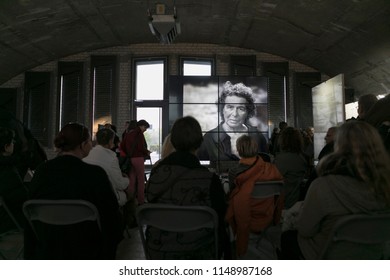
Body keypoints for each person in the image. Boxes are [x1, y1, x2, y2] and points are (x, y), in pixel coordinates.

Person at [25, 122, 123, 259]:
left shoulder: (42, 171)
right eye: (89, 141)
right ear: (83, 145)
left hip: (48, 247)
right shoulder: (95, 174)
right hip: (87, 249)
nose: (92, 145)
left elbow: (31, 208)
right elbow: (112, 217)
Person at [294, 121, 390, 259]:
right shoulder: (385, 187)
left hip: (325, 255)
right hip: (372, 256)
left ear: (338, 146)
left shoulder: (323, 186)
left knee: (287, 238)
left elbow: (305, 229)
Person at [146, 116, 228, 259]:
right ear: (200, 143)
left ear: (172, 141)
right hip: (200, 252)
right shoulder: (209, 180)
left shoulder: (156, 176)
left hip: (158, 252)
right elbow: (221, 218)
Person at [226, 135, 283, 259]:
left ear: (239, 150)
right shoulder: (271, 170)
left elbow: (232, 196)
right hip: (267, 216)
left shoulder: (234, 172)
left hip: (244, 217)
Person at [198, 81, 268, 161]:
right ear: (222, 109)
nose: (234, 114)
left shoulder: (258, 137)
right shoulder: (209, 138)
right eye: (230, 107)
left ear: (248, 112)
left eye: (241, 108)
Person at [83, 128, 129, 206]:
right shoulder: (111, 157)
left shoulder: (87, 154)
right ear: (111, 141)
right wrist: (127, 179)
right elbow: (120, 184)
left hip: (88, 197)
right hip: (105, 198)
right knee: (129, 192)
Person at [0, 127, 29, 233]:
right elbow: (21, 198)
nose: (14, 143)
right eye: (12, 142)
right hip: (8, 220)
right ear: (6, 147)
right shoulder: (8, 169)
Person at [274, 127, 309, 209]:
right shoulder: (301, 157)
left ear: (283, 140)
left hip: (284, 202)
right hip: (296, 200)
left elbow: (273, 179)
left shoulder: (283, 159)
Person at [120, 119, 151, 205]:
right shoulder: (138, 133)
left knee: (132, 179)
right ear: (141, 126)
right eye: (145, 127)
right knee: (141, 180)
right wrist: (147, 152)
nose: (145, 130)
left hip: (130, 159)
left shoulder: (128, 133)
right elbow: (141, 147)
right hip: (138, 158)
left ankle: (130, 199)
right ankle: (141, 200)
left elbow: (122, 146)